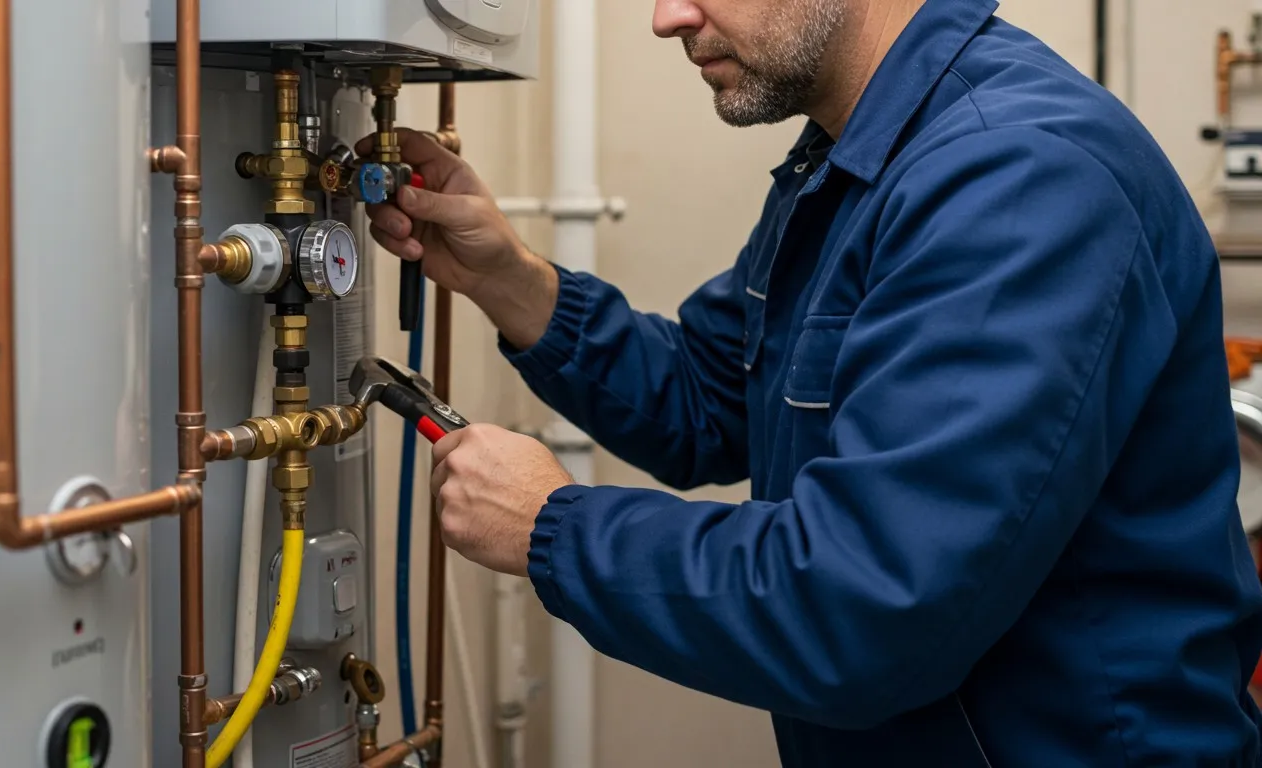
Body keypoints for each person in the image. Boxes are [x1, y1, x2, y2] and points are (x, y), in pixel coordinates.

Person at [362, 0, 1262, 764]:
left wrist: (554, 527)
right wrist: (505, 278)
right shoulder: (857, 157)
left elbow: (865, 607)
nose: (665, 16)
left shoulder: (1016, 174)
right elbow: (712, 401)